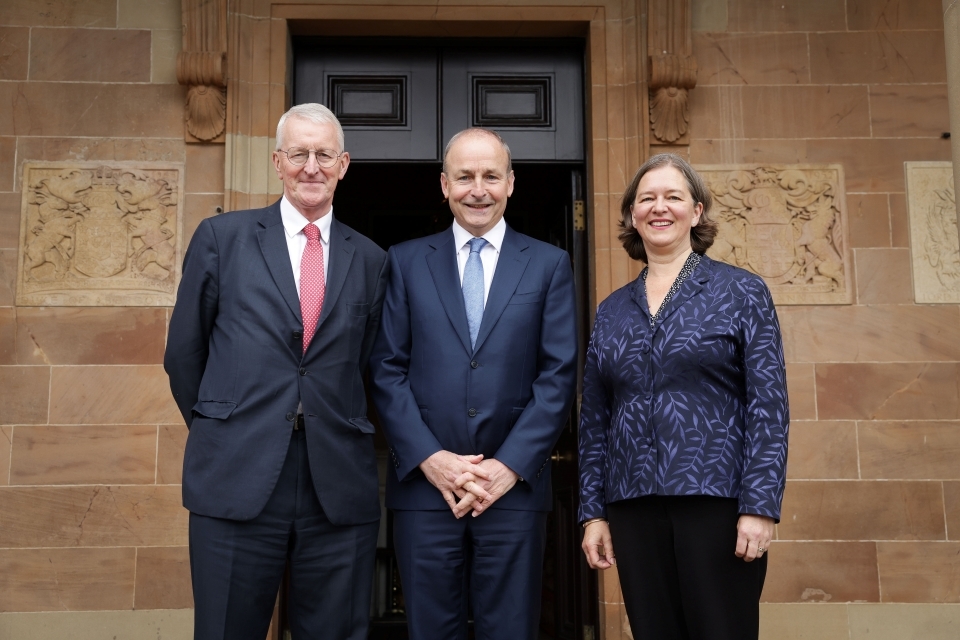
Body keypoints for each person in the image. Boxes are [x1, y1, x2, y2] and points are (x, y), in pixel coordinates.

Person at [164, 103, 388, 640]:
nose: (311, 167)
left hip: (335, 486)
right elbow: (183, 355)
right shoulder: (222, 238)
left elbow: (371, 368)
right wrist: (226, 426)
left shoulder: (374, 260)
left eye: (324, 155)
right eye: (299, 154)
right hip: (235, 475)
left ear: (344, 164)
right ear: (277, 161)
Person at [370, 128, 578, 640]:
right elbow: (385, 368)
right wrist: (430, 458)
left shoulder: (549, 264)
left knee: (510, 629)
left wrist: (507, 467)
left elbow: (558, 374)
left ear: (511, 183)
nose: (477, 189)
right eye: (464, 176)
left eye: (490, 176)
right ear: (444, 185)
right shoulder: (404, 260)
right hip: (424, 489)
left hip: (513, 491)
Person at [578, 153, 788, 640]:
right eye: (647, 198)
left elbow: (769, 408)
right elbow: (594, 422)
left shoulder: (742, 292)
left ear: (696, 212)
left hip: (715, 503)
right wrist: (593, 514)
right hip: (633, 506)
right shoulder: (611, 311)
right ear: (632, 213)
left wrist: (760, 504)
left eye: (673, 196)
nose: (660, 207)